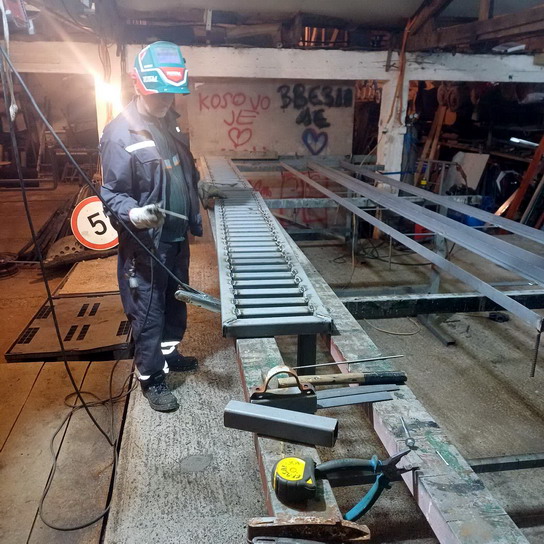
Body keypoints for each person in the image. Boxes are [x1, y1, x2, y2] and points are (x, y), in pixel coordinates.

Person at [100, 41, 203, 413]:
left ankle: (169, 353)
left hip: (174, 238)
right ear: (138, 85)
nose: (165, 100)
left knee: (174, 302)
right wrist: (134, 214)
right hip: (146, 244)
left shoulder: (167, 122)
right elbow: (111, 193)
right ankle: (151, 378)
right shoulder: (119, 134)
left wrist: (196, 193)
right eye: (159, 93)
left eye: (171, 94)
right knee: (148, 310)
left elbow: (179, 171)